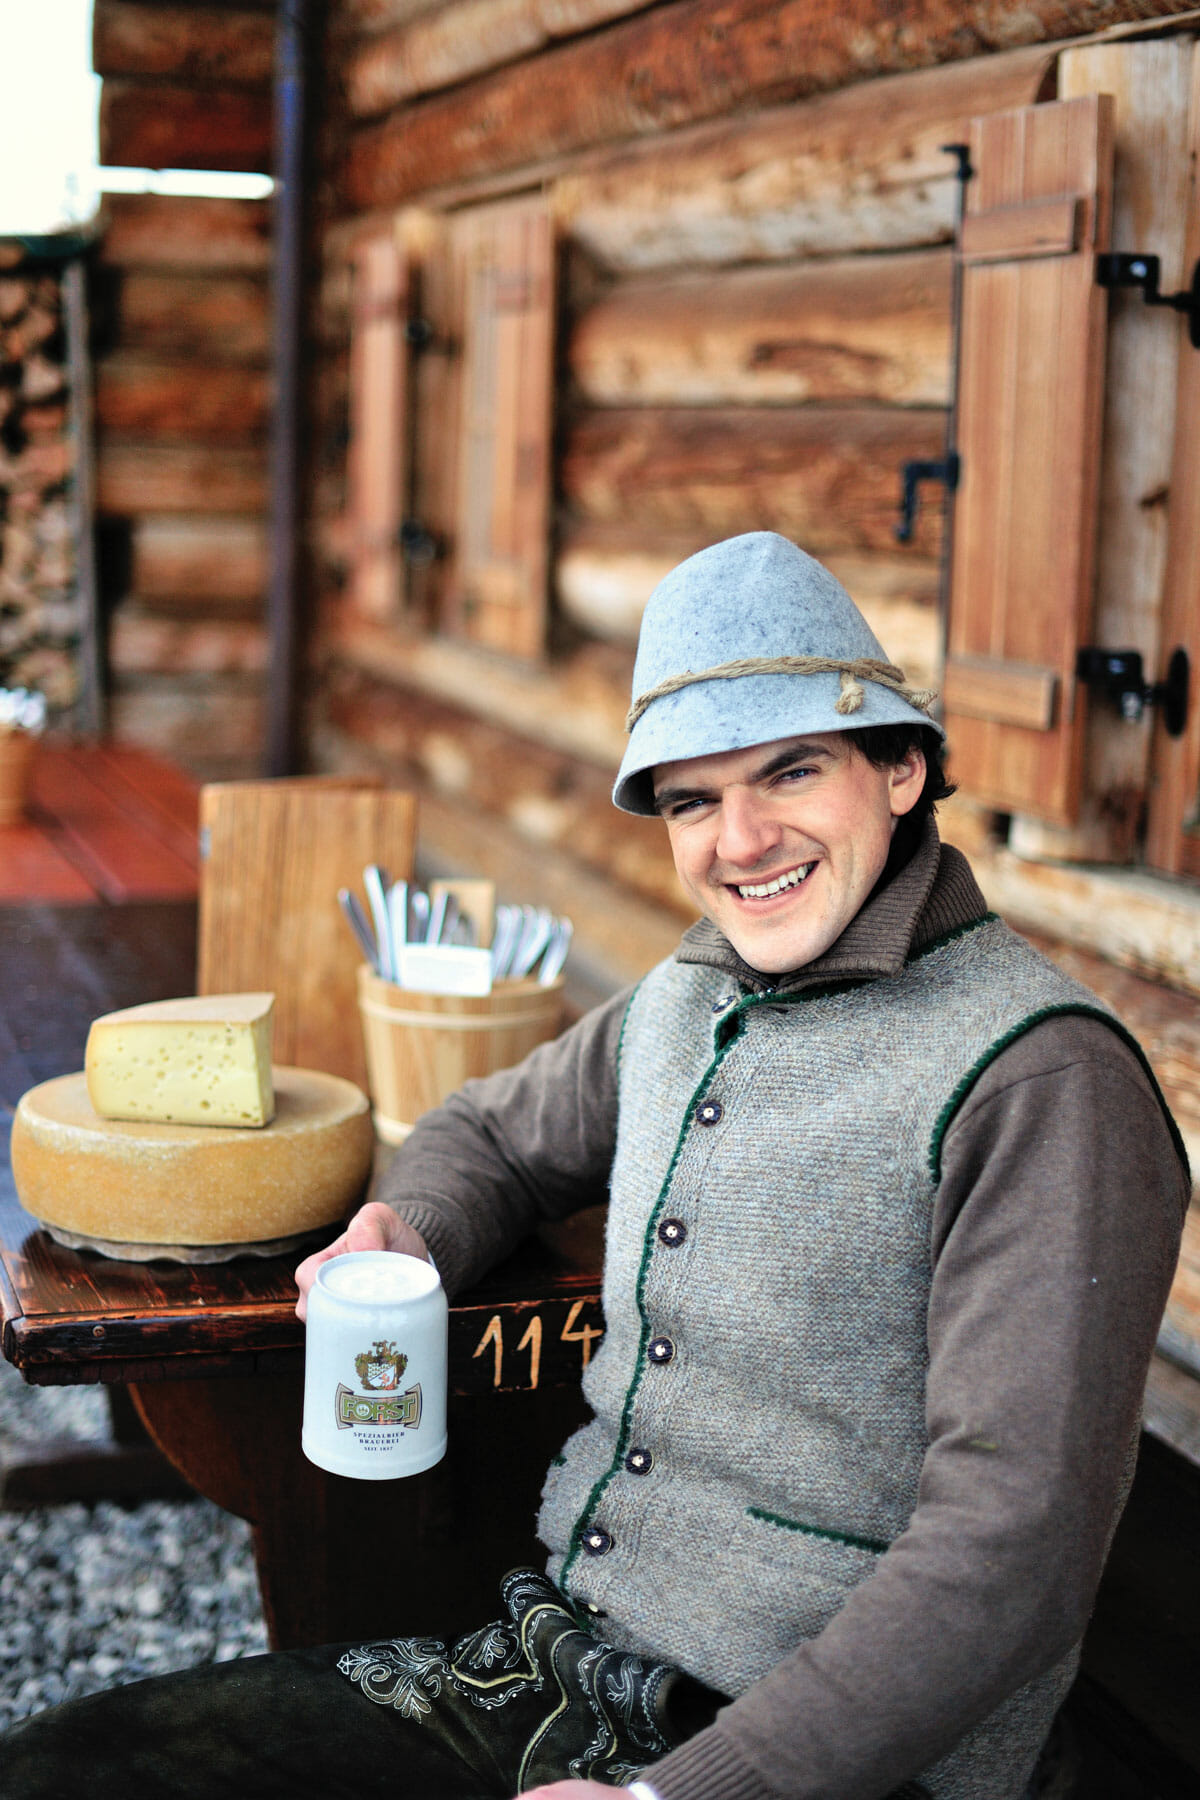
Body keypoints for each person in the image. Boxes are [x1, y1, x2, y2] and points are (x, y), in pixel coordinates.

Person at [1, 533, 1188, 1800]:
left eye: (790, 771)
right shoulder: (689, 996)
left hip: (815, 1765)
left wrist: (678, 1798)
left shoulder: (1043, 1080)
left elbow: (1013, 1554)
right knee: (63, 1775)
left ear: (901, 768)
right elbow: (496, 1132)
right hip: (557, 1674)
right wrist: (404, 1231)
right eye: (691, 798)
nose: (740, 840)